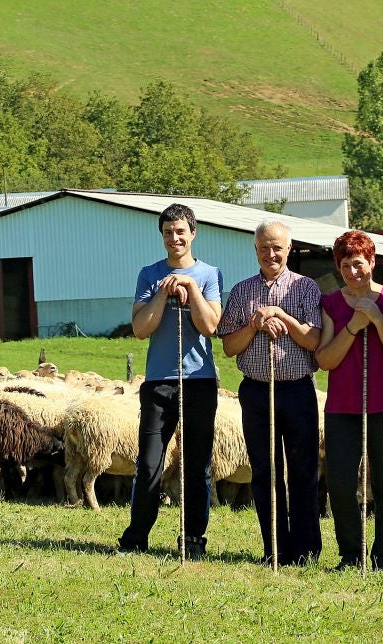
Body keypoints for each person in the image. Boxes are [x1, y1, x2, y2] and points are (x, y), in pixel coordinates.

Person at [117, 203, 223, 557]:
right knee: (148, 463)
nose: (174, 238)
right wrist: (162, 293)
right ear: (161, 236)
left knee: (197, 465)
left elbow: (211, 326)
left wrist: (192, 290)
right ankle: (136, 536)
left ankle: (192, 538)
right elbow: (140, 328)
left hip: (199, 381)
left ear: (193, 233)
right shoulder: (149, 275)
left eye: (180, 231)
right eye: (168, 232)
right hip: (159, 382)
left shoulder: (210, 274)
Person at [216, 219, 324, 565]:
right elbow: (230, 347)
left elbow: (314, 340)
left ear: (289, 249)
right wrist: (255, 324)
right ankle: (274, 548)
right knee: (265, 471)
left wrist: (281, 316)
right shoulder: (241, 291)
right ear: (256, 250)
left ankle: (306, 551)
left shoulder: (306, 288)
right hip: (257, 392)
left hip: (297, 391)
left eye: (277, 247)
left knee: (303, 470)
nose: (271, 253)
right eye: (265, 247)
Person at [315, 230, 383, 571]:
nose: (353, 272)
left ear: (372, 262)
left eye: (358, 264)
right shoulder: (331, 304)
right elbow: (325, 360)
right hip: (343, 407)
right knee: (340, 482)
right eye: (345, 266)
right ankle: (350, 556)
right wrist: (355, 325)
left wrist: (377, 318)